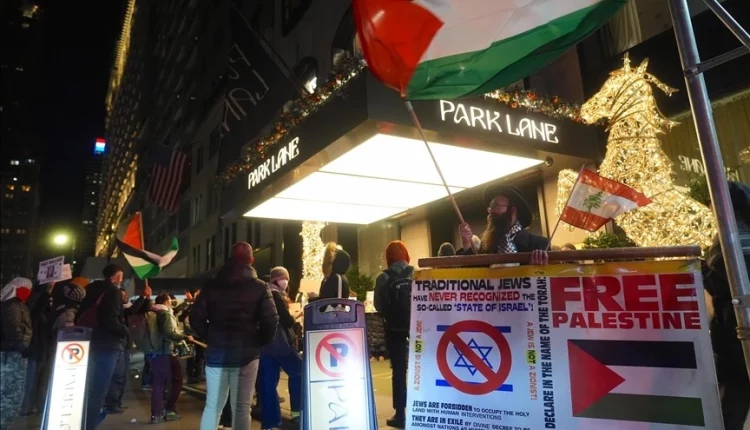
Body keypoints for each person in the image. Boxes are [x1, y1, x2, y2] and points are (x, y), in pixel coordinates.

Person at [191, 242, 279, 430]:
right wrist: (257, 342)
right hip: (247, 355)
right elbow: (271, 320)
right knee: (242, 408)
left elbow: (195, 318)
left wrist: (210, 337)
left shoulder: (211, 286)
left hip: (217, 354)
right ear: (251, 260)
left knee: (213, 407)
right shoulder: (260, 287)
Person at [703, 181, 750, 429]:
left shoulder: (731, 236)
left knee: (736, 392)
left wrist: (702, 270)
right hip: (735, 326)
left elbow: (723, 282)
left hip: (737, 327)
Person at [77, 264, 129, 430]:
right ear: (117, 275)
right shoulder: (113, 291)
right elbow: (110, 319)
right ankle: (89, 424)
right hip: (108, 343)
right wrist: (125, 331)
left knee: (91, 385)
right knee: (99, 387)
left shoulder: (90, 288)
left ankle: (83, 421)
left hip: (89, 339)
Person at [374, 241, 415, 429]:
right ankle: (422, 410)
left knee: (398, 371)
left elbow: (379, 305)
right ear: (405, 254)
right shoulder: (415, 273)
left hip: (394, 330)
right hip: (417, 328)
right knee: (422, 368)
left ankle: (400, 415)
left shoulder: (383, 277)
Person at [459, 183, 549, 264]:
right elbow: (473, 274)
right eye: (490, 207)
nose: (491, 211)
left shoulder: (540, 245)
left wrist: (537, 270)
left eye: (496, 206)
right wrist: (466, 243)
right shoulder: (485, 247)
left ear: (513, 210)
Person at [258, 266, 303, 430]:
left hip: (265, 345)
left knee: (268, 384)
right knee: (299, 371)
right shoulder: (276, 295)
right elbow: (286, 320)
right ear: (276, 279)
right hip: (281, 344)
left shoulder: (263, 294)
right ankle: (298, 411)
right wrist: (295, 317)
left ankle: (270, 423)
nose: (286, 282)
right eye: (284, 278)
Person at [144, 293, 191, 423]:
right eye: (170, 301)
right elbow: (169, 333)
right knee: (176, 380)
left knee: (160, 383)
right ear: (166, 302)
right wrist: (184, 337)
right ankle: (167, 410)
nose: (171, 303)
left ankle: (157, 414)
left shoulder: (153, 312)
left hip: (155, 352)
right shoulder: (165, 314)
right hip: (165, 352)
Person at [0, 277, 33, 430]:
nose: (28, 292)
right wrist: (22, 347)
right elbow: (13, 328)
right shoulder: (12, 306)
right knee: (10, 394)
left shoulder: (13, 304)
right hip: (10, 354)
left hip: (10, 353)